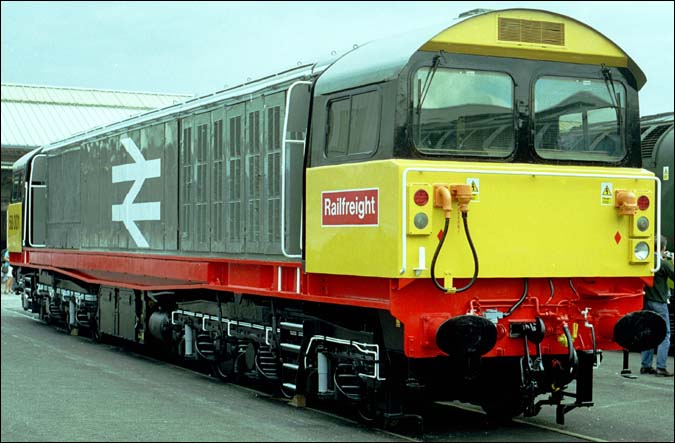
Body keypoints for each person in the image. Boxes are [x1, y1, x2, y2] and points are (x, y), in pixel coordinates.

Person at [640, 235, 674, 377]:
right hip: (659, 302)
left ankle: (645, 365)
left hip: (646, 300)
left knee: (649, 332)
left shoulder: (646, 260)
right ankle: (661, 367)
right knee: (664, 334)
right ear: (663, 247)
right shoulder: (663, 264)